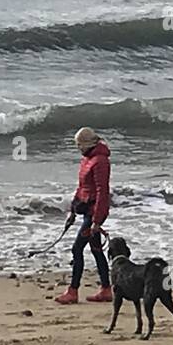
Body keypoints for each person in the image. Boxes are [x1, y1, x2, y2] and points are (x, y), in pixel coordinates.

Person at [54, 127, 113, 304]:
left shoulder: (100, 161)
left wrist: (96, 221)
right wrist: (73, 209)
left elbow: (103, 192)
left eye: (80, 145)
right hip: (85, 208)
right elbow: (81, 187)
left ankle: (73, 291)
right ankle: (106, 289)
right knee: (96, 249)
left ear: (87, 144)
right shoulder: (87, 159)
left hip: (94, 211)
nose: (78, 148)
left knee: (77, 248)